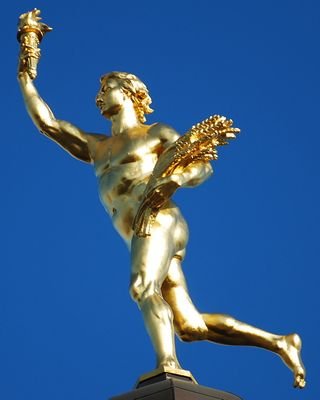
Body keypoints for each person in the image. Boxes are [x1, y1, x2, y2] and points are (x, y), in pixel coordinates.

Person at [17, 9, 306, 389]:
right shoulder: (96, 146)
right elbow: (48, 123)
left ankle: (167, 365)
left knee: (142, 286)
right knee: (190, 324)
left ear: (131, 92)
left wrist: (174, 182)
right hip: (140, 231)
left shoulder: (155, 133)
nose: (98, 96)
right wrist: (26, 69)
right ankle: (279, 342)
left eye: (107, 88)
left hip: (159, 217)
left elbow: (203, 166)